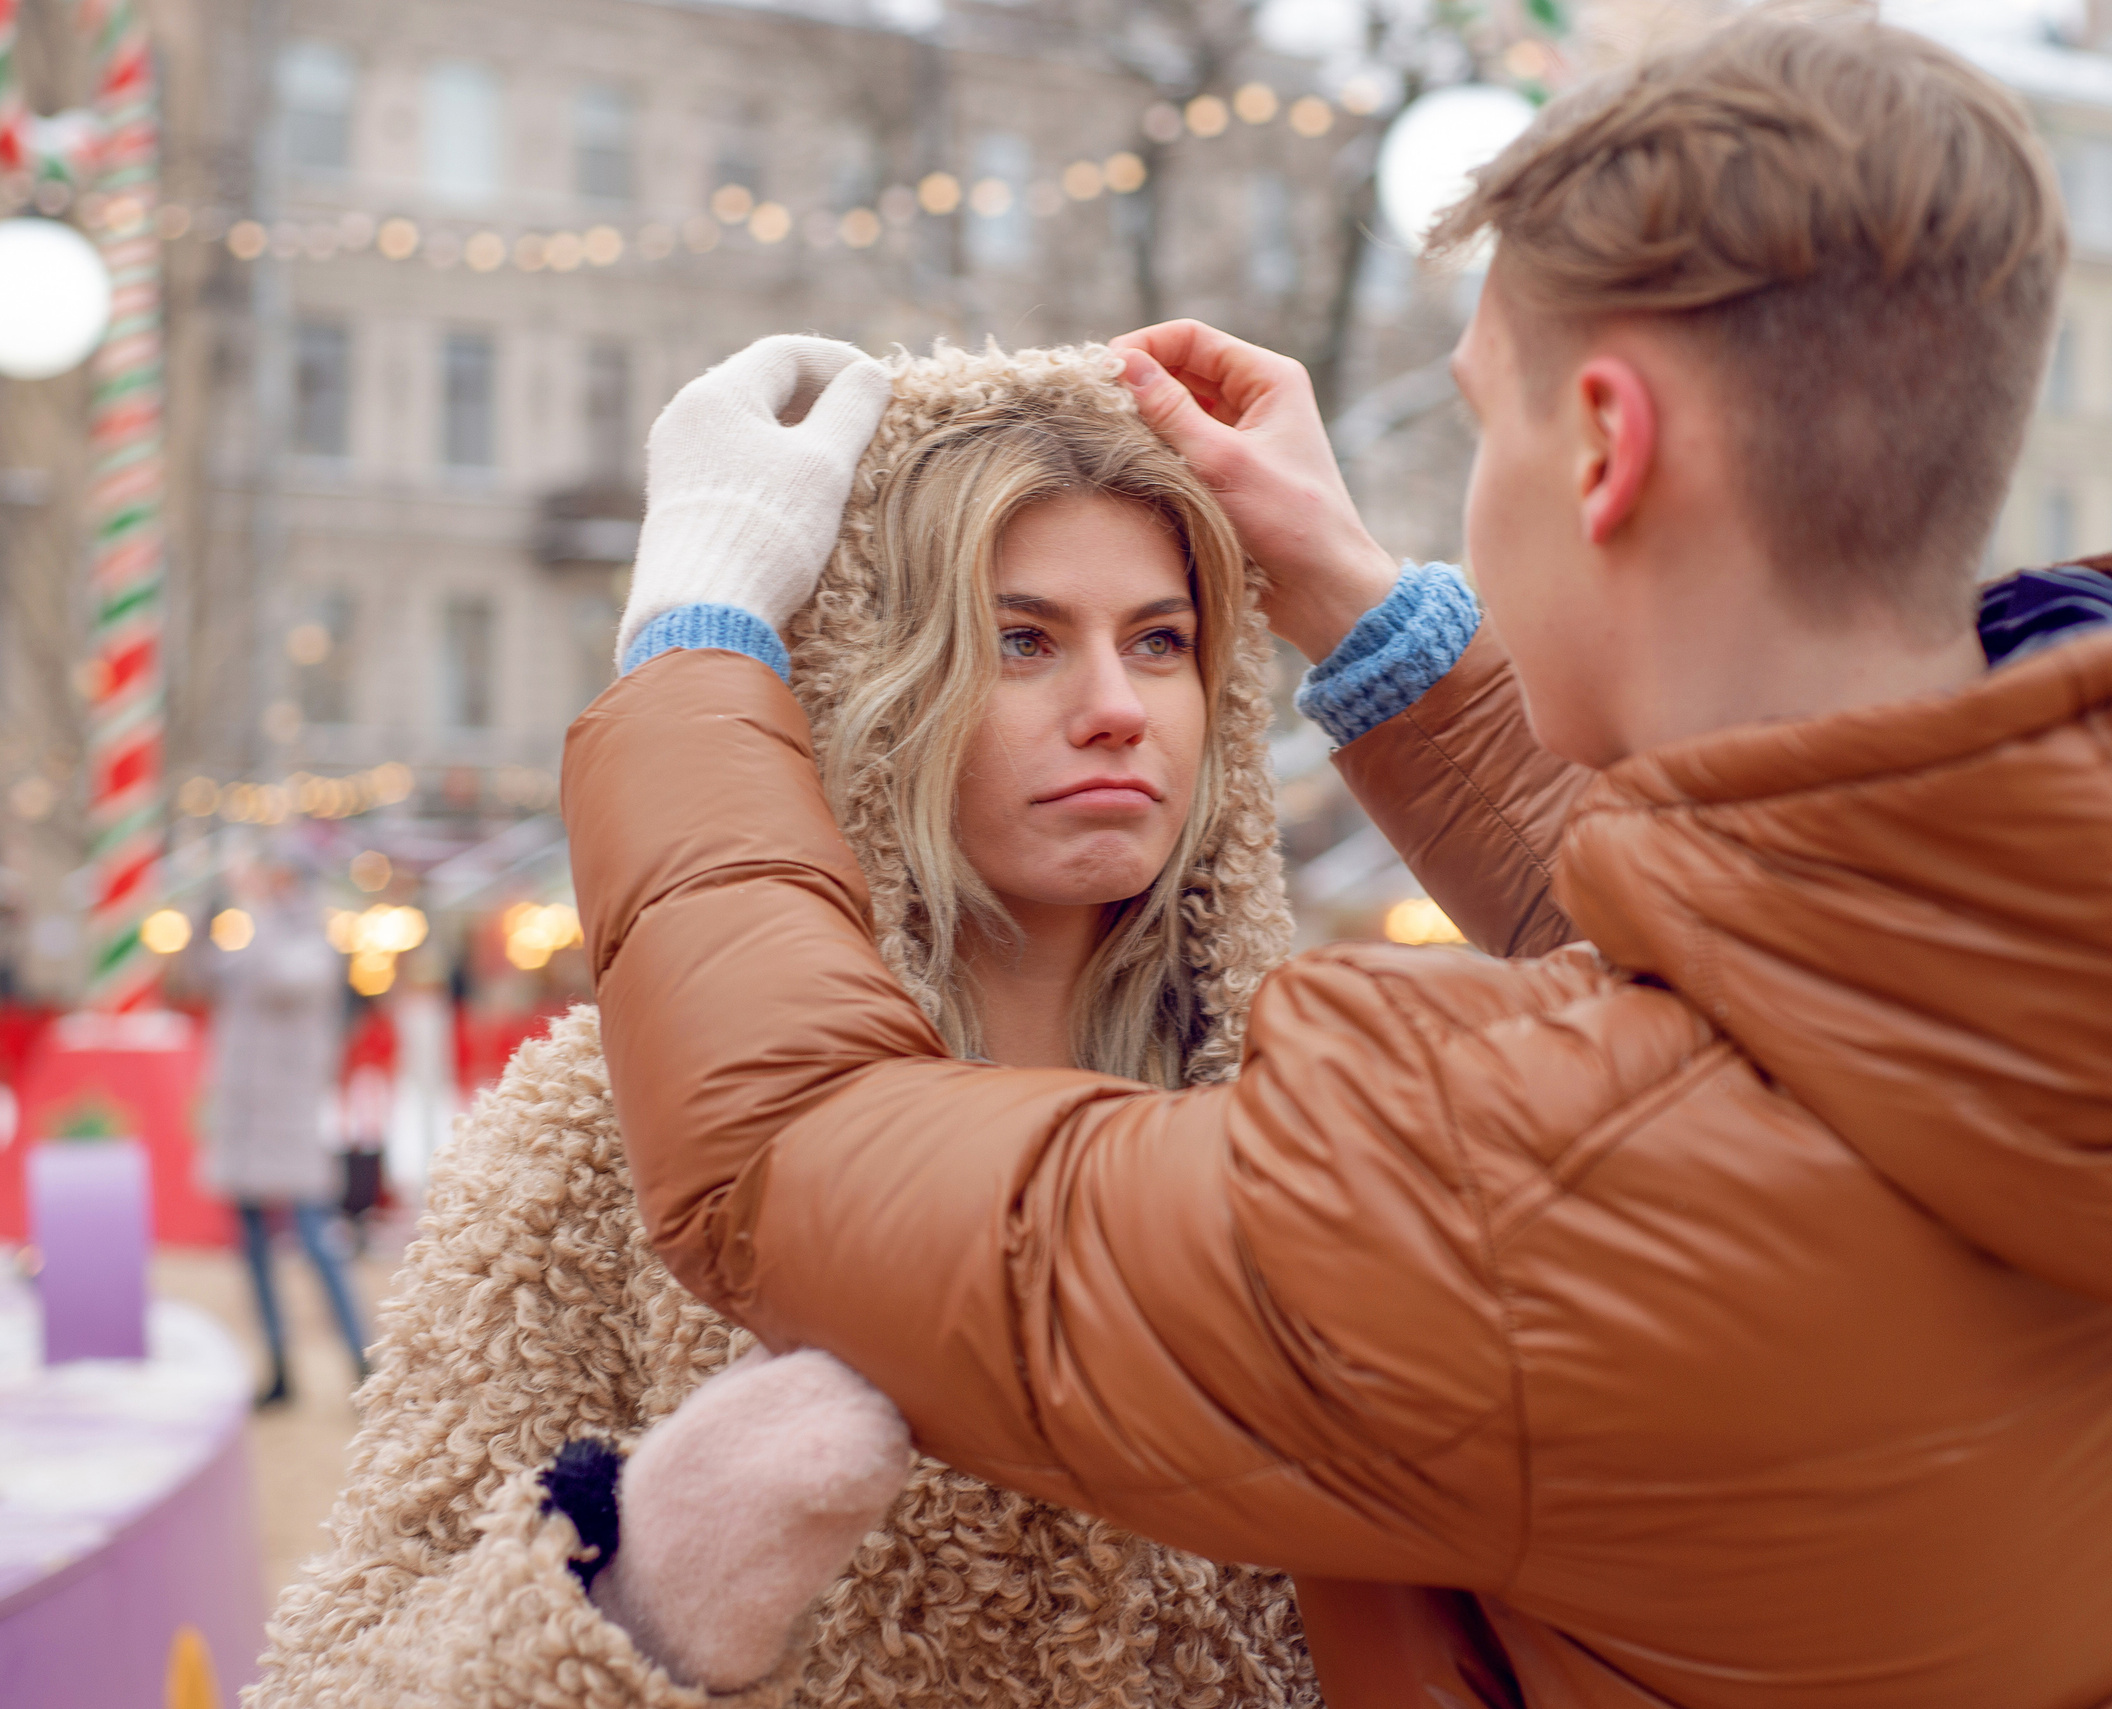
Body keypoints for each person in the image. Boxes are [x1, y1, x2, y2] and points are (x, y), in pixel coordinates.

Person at [560, 15, 2112, 1709]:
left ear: (1606, 446)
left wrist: (700, 632)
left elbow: (787, 1153)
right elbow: (1799, 1006)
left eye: (1485, 420)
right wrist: (1375, 618)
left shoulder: (1496, 1200)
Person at [249, 342, 1317, 1708]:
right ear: (866, 685)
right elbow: (348, 1675)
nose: (1115, 708)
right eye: (1022, 639)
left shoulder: (1314, 1109)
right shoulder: (599, 1131)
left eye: (1160, 641)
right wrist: (630, 1608)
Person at [201, 843, 371, 1406]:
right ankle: (278, 1366)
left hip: (289, 1117)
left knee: (318, 1243)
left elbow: (277, 977)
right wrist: (209, 906)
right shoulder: (256, 932)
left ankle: (362, 1362)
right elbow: (205, 971)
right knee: (251, 1247)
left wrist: (255, 907)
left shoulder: (314, 943)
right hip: (244, 1116)